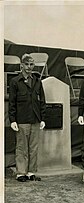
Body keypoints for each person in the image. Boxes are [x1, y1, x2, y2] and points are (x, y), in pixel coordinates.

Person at [8, 53, 46, 182]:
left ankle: (31, 171)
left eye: (31, 64)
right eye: (26, 64)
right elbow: (12, 102)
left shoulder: (37, 81)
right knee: (21, 147)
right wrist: (12, 120)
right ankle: (21, 172)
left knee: (33, 147)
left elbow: (42, 101)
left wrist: (43, 118)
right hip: (22, 119)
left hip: (35, 119)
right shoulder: (15, 82)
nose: (29, 67)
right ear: (21, 65)